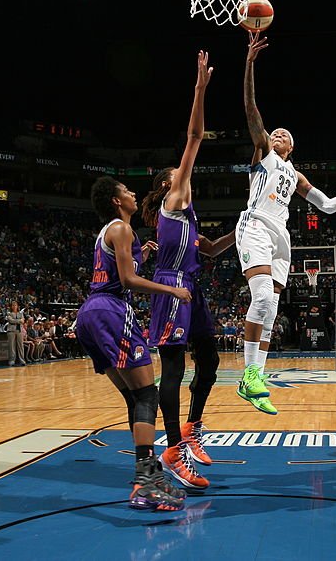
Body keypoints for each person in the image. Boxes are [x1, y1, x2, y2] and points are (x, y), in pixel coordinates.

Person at [235, 32, 336, 414]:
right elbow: (252, 109)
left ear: (293, 147)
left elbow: (329, 206)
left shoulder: (295, 175)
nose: (277, 134)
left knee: (271, 307)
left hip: (280, 237)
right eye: (274, 133)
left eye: (284, 134)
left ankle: (256, 378)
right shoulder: (264, 157)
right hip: (255, 224)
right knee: (263, 299)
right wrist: (250, 63)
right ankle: (248, 375)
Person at [140, 50, 235, 490]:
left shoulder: (187, 217)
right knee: (174, 371)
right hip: (169, 289)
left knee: (210, 361)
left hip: (191, 288)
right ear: (167, 183)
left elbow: (211, 250)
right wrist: (200, 88)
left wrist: (248, 226)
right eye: (176, 172)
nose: (184, 173)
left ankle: (193, 432)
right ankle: (174, 448)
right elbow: (195, 135)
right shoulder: (173, 199)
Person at [75, 176, 192, 512]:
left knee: (134, 397)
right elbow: (127, 281)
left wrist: (142, 253)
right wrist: (172, 290)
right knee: (147, 394)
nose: (133, 194)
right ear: (115, 201)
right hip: (111, 309)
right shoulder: (122, 229)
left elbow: (118, 268)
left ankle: (149, 474)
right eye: (126, 191)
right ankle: (145, 482)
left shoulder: (111, 234)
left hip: (89, 315)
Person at [5, 301, 26, 366]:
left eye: (15, 305)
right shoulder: (9, 313)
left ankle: (22, 360)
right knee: (11, 346)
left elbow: (23, 321)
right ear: (11, 306)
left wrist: (17, 321)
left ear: (17, 306)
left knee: (20, 346)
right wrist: (19, 321)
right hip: (11, 331)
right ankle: (11, 360)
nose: (14, 306)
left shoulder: (20, 313)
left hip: (19, 331)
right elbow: (10, 320)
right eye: (13, 305)